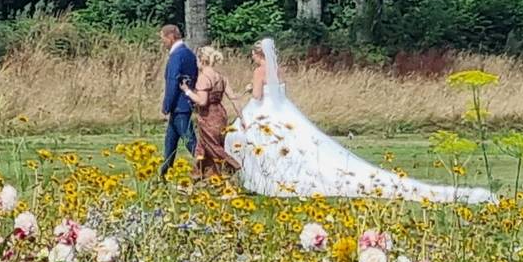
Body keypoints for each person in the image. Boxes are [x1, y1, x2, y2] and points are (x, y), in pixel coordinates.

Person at [223, 38, 495, 204]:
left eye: (253, 55)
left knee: (245, 138)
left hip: (264, 110)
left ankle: (263, 180)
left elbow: (259, 95)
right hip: (283, 111)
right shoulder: (278, 69)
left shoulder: (260, 71)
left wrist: (248, 89)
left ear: (259, 55)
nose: (252, 58)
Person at [180, 46, 241, 178]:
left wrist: (187, 91)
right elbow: (233, 98)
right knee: (202, 148)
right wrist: (242, 118)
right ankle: (197, 177)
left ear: (202, 60)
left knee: (213, 146)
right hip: (220, 114)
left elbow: (202, 101)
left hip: (208, 116)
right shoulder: (221, 77)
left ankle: (233, 166)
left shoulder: (204, 78)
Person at [158, 24, 197, 179]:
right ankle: (164, 174)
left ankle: (207, 168)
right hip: (185, 102)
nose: (163, 43)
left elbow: (173, 81)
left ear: (171, 37)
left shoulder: (177, 55)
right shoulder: (189, 53)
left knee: (189, 140)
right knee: (170, 142)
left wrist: (167, 105)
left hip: (179, 105)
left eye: (163, 39)